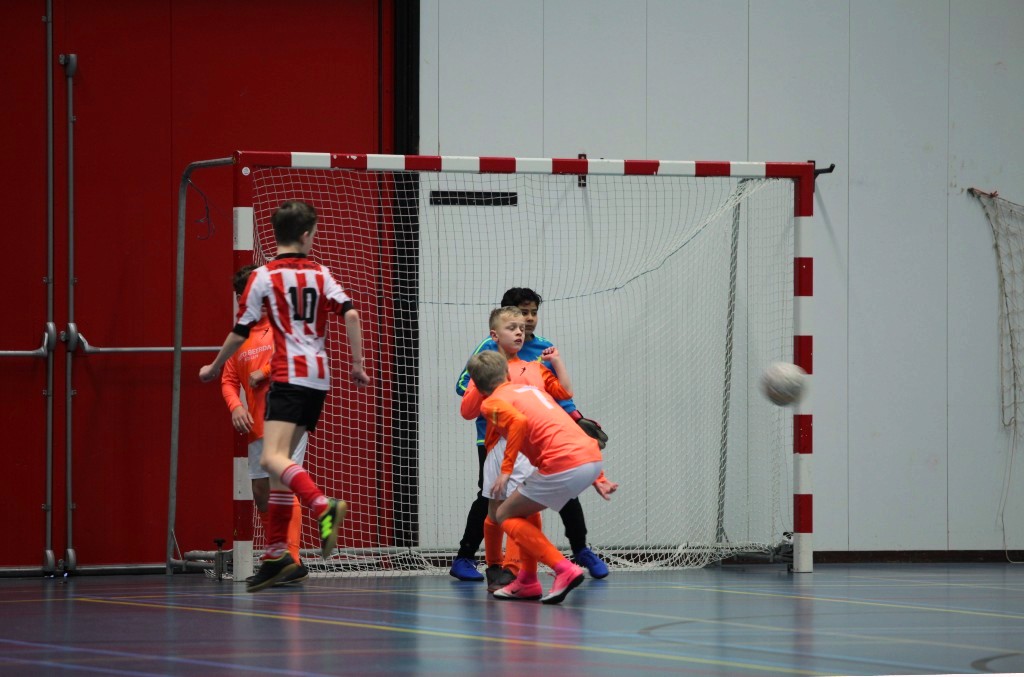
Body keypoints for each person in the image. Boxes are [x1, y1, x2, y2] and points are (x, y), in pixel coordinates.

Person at [199, 200, 371, 592]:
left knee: (272, 458)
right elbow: (351, 314)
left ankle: (323, 505)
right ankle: (278, 554)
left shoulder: (263, 276)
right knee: (279, 473)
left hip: (288, 375)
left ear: (275, 234)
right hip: (318, 378)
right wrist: (357, 364)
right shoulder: (321, 273)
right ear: (307, 234)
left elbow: (240, 331)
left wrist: (214, 366)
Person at [451, 288, 611, 583]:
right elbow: (465, 391)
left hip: (535, 439)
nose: (526, 321)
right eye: (519, 316)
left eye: (532, 314)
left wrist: (577, 419)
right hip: (493, 438)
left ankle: (566, 556)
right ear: (498, 330)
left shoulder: (542, 354)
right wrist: (493, 389)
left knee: (551, 493)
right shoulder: (488, 352)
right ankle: (469, 557)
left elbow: (556, 396)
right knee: (492, 497)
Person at [465, 350, 610, 604]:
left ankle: (564, 568)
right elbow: (567, 425)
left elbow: (518, 423)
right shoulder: (535, 392)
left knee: (504, 514)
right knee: (525, 512)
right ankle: (527, 581)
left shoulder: (491, 403)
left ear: (476, 385)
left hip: (563, 463)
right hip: (590, 457)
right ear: (507, 373)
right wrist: (598, 476)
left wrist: (506, 470)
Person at [458, 307, 572, 592]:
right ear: (494, 335)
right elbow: (467, 411)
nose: (520, 332)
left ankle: (516, 570)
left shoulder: (533, 367)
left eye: (522, 328)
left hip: (530, 447)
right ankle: (494, 567)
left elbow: (564, 393)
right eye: (512, 328)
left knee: (526, 508)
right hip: (498, 446)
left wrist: (557, 362)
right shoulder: (486, 369)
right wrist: (483, 382)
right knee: (495, 507)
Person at [221, 265, 309, 586]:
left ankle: (291, 560)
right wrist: (236, 406)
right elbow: (228, 380)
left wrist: (268, 370)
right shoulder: (239, 337)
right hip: (257, 424)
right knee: (261, 493)